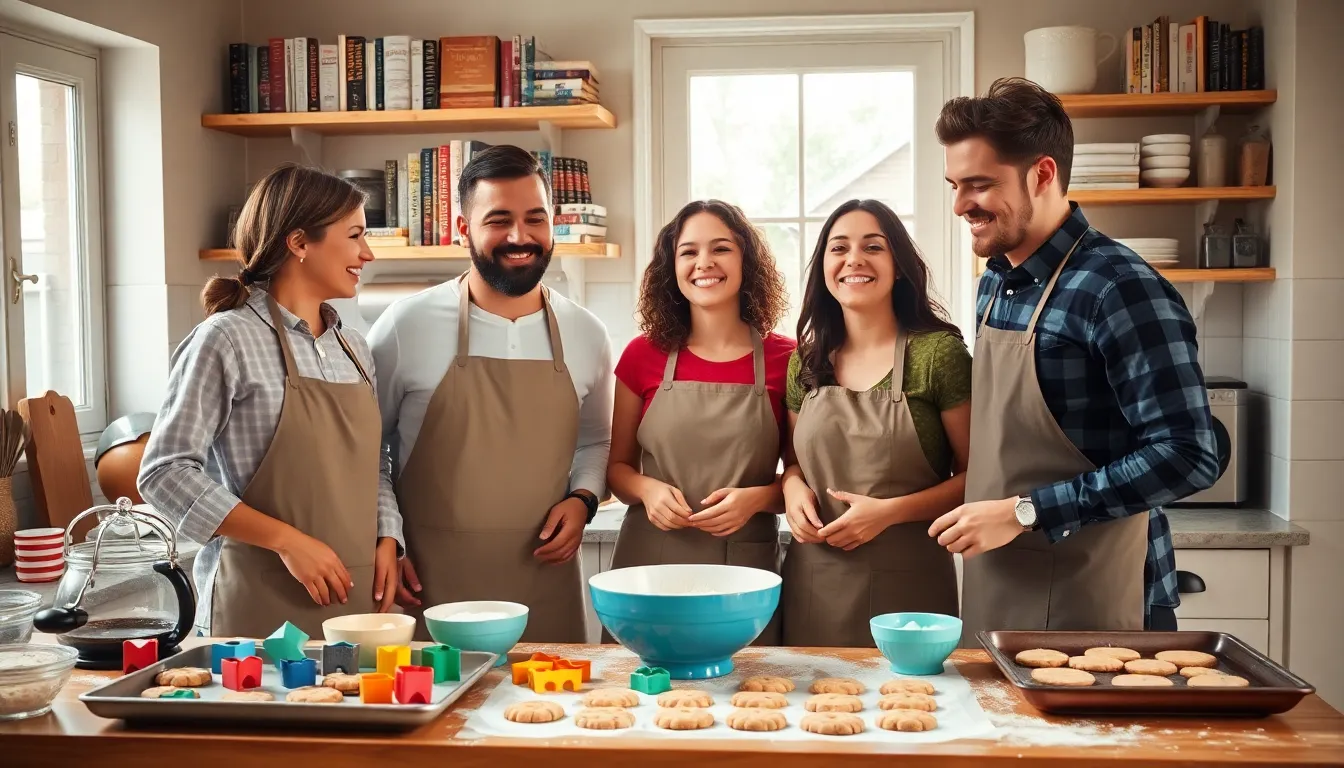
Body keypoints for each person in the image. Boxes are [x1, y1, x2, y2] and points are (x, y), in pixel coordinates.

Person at [929, 77, 1219, 640]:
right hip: (1000, 582)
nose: (962, 204)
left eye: (980, 184)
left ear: (1042, 174)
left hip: (1097, 593)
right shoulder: (998, 282)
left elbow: (1188, 455)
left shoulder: (1120, 288)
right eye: (955, 185)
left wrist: (1024, 512)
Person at [138, 163, 401, 638]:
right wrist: (286, 541)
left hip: (353, 598)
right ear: (300, 243)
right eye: (355, 235)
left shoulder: (353, 348)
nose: (367, 253)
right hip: (257, 601)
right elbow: (164, 471)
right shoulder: (226, 339)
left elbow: (373, 464)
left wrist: (388, 536)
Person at [370, 144, 614, 643]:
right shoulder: (406, 325)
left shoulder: (586, 332)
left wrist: (584, 499)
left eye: (535, 219)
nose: (520, 237)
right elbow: (366, 449)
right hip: (429, 586)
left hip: (542, 585)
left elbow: (597, 443)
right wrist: (387, 537)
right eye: (499, 220)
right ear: (464, 229)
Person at [779, 198, 972, 648]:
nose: (854, 260)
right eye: (839, 248)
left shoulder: (937, 355)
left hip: (911, 590)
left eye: (874, 247)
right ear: (824, 267)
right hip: (814, 584)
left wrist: (889, 513)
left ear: (899, 266)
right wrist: (791, 489)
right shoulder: (805, 362)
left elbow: (975, 478)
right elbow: (793, 464)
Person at [606, 200, 794, 644]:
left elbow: (800, 477)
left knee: (749, 699)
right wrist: (648, 490)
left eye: (721, 249)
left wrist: (756, 499)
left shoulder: (787, 360)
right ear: (671, 268)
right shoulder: (641, 355)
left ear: (747, 260)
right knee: (634, 702)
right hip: (648, 564)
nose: (704, 263)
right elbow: (617, 470)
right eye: (688, 252)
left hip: (743, 569)